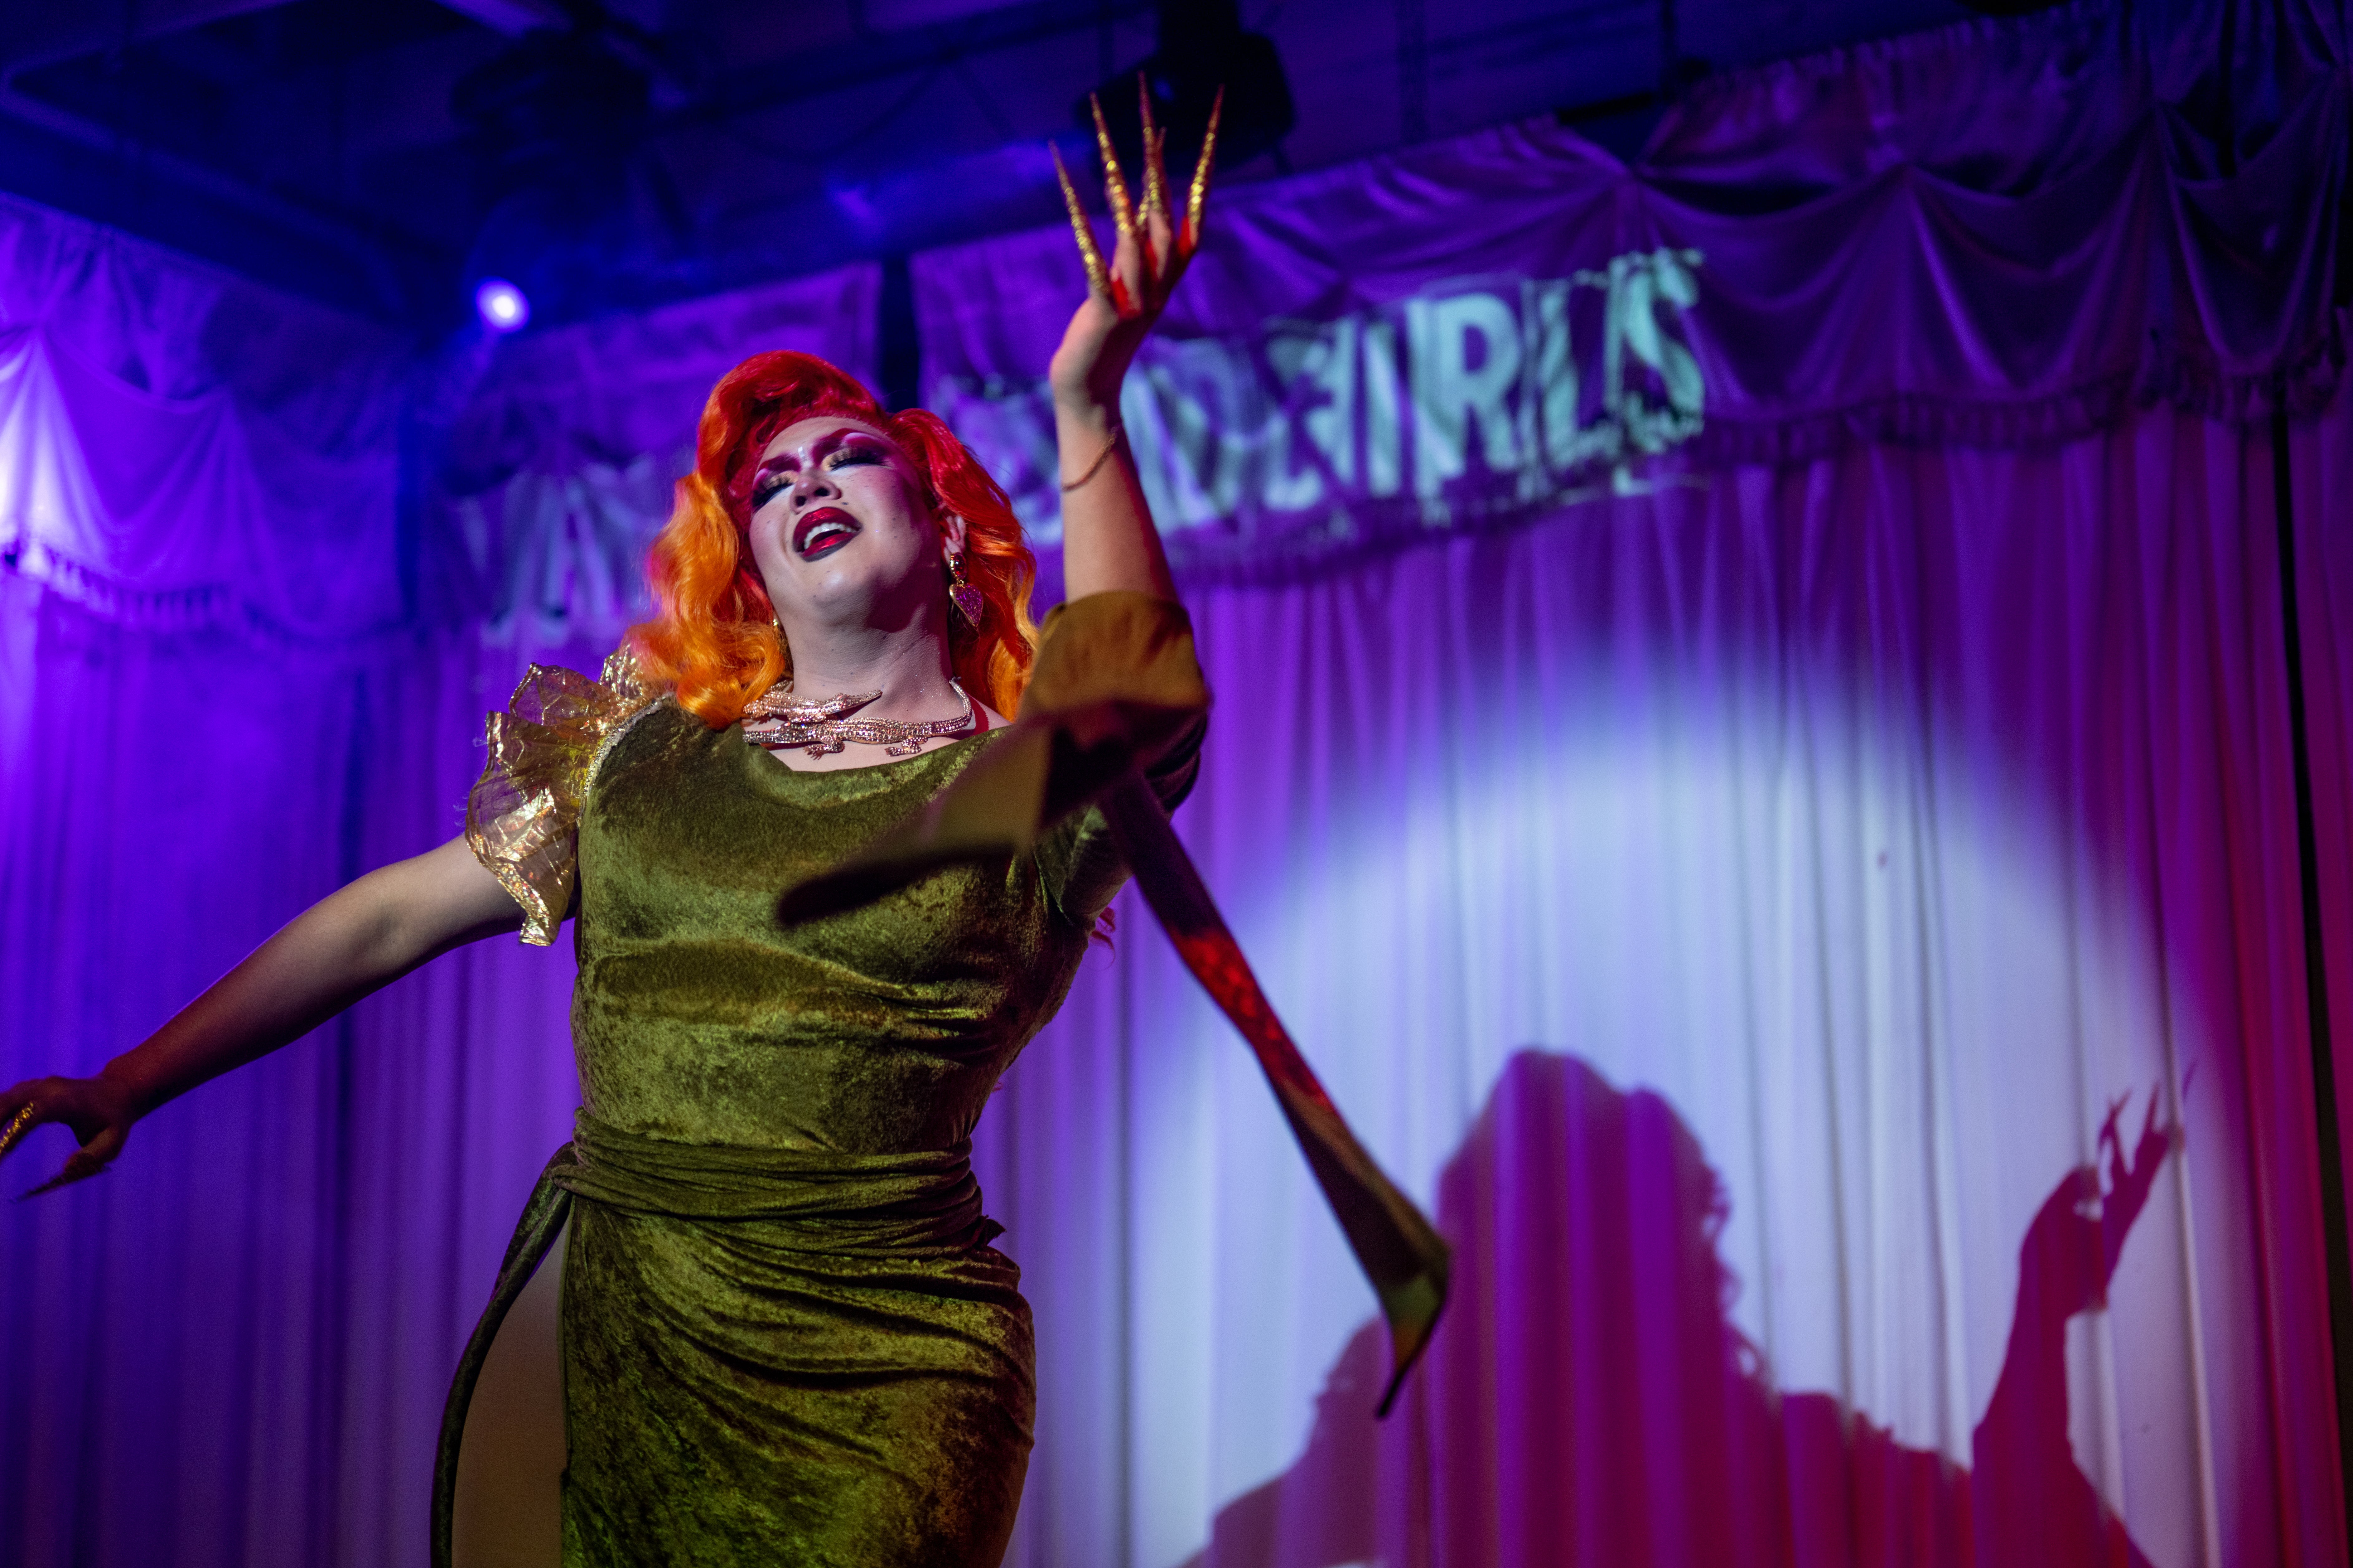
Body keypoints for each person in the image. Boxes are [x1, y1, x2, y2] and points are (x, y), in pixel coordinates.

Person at [0, 109, 1222, 1568]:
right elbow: (386, 919)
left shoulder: (1031, 786)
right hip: (617, 1314)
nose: (805, 487)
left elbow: (1141, 682)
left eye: (847, 460)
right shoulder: (643, 755)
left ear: (943, 522)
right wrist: (133, 1077)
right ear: (757, 575)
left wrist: (1086, 404)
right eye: (770, 488)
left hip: (889, 1359)